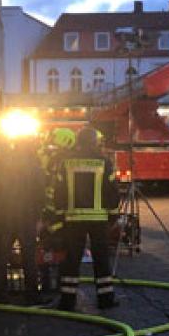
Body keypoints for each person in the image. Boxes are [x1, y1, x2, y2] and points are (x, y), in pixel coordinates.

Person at [52, 127, 120, 311]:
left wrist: (59, 216)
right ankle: (105, 299)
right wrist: (113, 214)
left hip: (73, 219)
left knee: (71, 260)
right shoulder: (104, 162)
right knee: (101, 258)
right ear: (94, 142)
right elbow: (112, 191)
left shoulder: (66, 162)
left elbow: (59, 191)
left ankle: (67, 301)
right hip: (99, 219)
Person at [0, 137, 47, 304]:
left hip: (4, 215)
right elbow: (40, 194)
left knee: (2, 255)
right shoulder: (34, 167)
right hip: (26, 216)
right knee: (29, 256)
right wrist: (39, 217)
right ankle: (32, 295)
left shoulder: (2, 165)